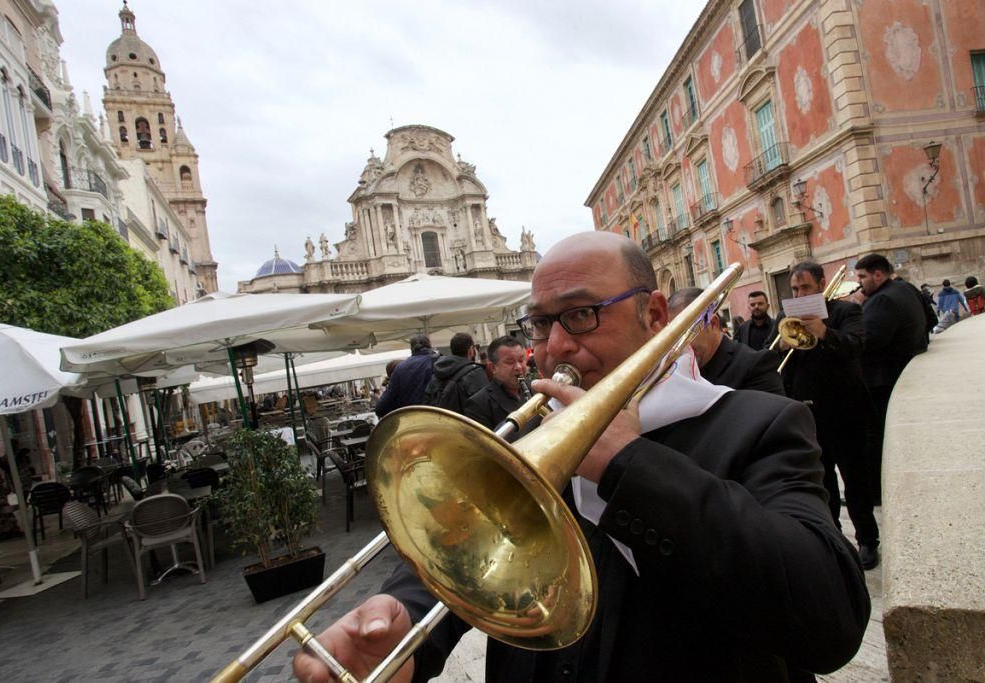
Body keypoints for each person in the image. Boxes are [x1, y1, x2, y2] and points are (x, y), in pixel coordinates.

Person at [295, 232, 869, 682]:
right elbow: (460, 547)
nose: (555, 348)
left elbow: (831, 618)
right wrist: (403, 630)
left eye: (581, 315)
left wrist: (628, 465)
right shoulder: (524, 441)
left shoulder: (758, 422)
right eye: (541, 323)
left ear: (654, 316)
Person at [779, 262, 880, 569]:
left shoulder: (845, 312)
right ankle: (834, 540)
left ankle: (867, 540)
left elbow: (857, 345)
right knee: (822, 485)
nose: (799, 294)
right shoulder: (787, 319)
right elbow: (775, 363)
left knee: (856, 480)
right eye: (795, 289)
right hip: (808, 415)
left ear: (822, 284)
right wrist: (783, 343)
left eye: (805, 288)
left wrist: (824, 332)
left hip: (846, 412)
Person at [854, 253, 927, 506]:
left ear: (877, 274)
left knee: (875, 439)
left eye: (862, 277)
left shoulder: (882, 300)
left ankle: (876, 491)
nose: (859, 283)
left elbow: (867, 341)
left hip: (882, 380)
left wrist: (855, 311)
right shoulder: (904, 288)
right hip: (899, 372)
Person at [668, 287, 784, 395]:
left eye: (685, 333)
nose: (678, 346)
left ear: (713, 323)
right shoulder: (679, 371)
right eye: (672, 337)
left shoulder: (757, 366)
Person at [464, 335, 539, 438]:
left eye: (521, 360)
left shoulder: (536, 388)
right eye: (510, 362)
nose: (518, 367)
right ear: (493, 367)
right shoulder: (478, 404)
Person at [423, 333, 488, 413]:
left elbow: (426, 402)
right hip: (465, 423)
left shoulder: (436, 374)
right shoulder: (475, 373)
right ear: (471, 350)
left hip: (440, 422)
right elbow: (485, 405)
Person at [374, 335, 436, 418]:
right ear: (430, 346)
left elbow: (381, 408)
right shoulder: (441, 362)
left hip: (411, 421)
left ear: (411, 348)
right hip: (440, 419)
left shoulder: (400, 368)